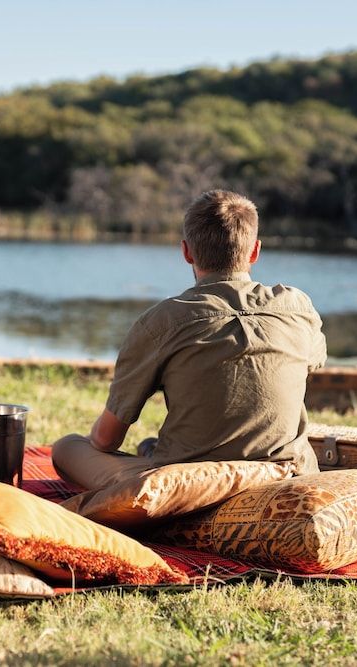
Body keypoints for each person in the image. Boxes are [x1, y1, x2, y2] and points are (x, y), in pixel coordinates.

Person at [52, 189, 325, 490]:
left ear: (186, 252)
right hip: (288, 473)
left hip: (190, 486)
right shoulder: (298, 307)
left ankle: (152, 460)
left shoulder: (162, 321)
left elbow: (106, 439)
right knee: (152, 445)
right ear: (255, 251)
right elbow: (312, 364)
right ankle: (153, 451)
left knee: (68, 447)